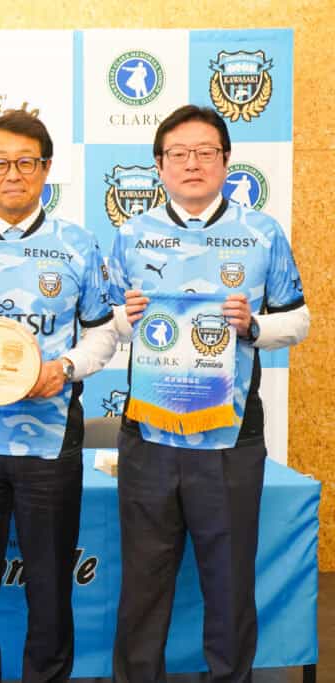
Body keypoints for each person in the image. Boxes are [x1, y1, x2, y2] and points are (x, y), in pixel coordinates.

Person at [108, 105, 309, 683]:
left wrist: (254, 325)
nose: (192, 163)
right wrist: (125, 318)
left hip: (229, 436)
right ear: (159, 165)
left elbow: (298, 320)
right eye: (178, 154)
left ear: (225, 162)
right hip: (150, 432)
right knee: (144, 583)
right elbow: (104, 325)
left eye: (205, 152)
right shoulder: (132, 234)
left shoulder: (261, 232)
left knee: (228, 581)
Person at [0, 110, 118, 683]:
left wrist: (66, 367)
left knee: (50, 584)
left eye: (26, 162)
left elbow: (103, 332)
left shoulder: (76, 244)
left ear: (46, 168)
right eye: (0, 163)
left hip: (51, 441)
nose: (13, 174)